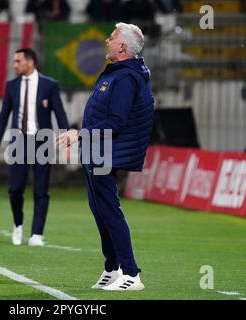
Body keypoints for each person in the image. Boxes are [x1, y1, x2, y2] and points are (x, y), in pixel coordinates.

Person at [58, 23, 155, 290]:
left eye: (111, 38)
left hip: (107, 153)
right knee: (99, 209)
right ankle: (112, 268)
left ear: (122, 47)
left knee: (109, 210)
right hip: (97, 152)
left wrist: (79, 134)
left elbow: (116, 122)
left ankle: (131, 274)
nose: (106, 40)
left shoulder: (125, 78)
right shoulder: (118, 73)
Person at [0, 48, 69, 246]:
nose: (14, 65)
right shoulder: (12, 85)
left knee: (41, 190)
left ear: (30, 62)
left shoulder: (49, 85)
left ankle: (36, 234)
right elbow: (3, 116)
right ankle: (18, 224)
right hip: (18, 141)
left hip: (43, 140)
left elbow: (59, 112)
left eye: (18, 61)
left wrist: (66, 136)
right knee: (15, 189)